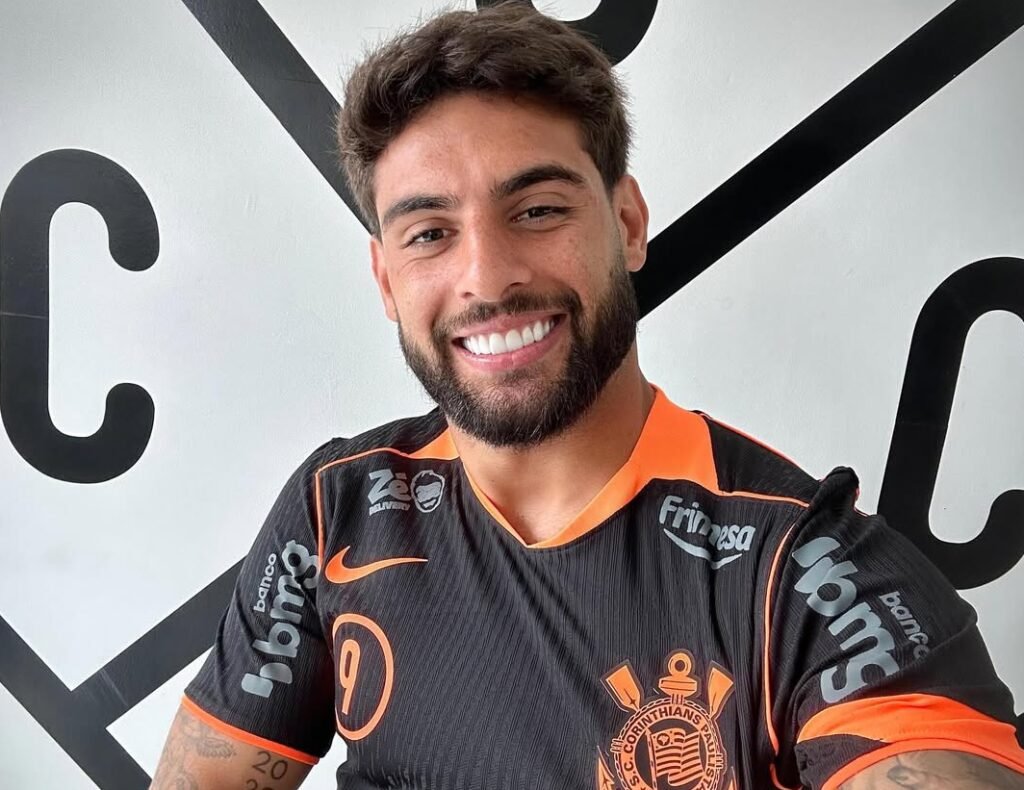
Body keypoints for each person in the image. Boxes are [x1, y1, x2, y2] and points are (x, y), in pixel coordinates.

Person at [150, 4, 1024, 789]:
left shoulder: (802, 568)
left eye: (537, 210)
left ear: (629, 224)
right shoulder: (336, 509)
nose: (486, 276)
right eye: (430, 233)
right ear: (386, 280)